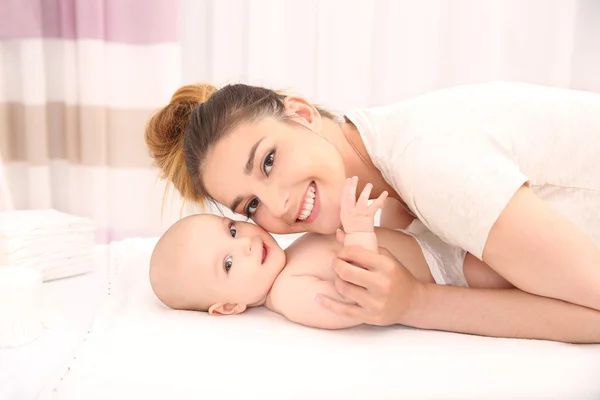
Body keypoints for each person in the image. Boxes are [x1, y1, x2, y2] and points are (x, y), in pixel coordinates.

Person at [145, 81, 600, 342]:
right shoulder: (388, 169)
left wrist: (418, 304)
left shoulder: (432, 163)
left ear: (301, 113)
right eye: (251, 206)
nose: (280, 206)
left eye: (268, 161)